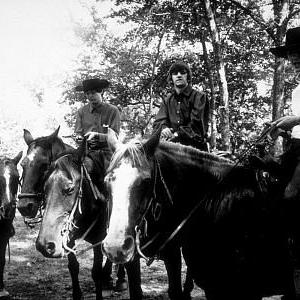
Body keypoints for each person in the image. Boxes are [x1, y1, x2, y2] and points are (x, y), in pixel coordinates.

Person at [74, 78, 126, 293]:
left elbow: (115, 138)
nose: (91, 96)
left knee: (116, 184)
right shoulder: (81, 112)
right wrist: (81, 137)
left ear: (101, 92)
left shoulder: (112, 110)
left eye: (95, 93)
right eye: (88, 94)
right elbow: (78, 133)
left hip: (107, 156)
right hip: (87, 155)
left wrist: (99, 136)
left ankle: (114, 211)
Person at [269, 27, 300, 201]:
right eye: (291, 54)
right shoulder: (297, 90)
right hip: (295, 148)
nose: (294, 57)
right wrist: (283, 131)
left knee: (291, 193)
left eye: (298, 52)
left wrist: (294, 120)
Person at [153, 61, 210, 150]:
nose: (179, 75)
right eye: (175, 73)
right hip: (171, 150)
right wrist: (164, 129)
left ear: (188, 76)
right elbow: (159, 122)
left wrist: (176, 134)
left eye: (183, 73)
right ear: (171, 78)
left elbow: (196, 125)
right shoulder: (167, 100)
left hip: (195, 150)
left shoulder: (199, 97)